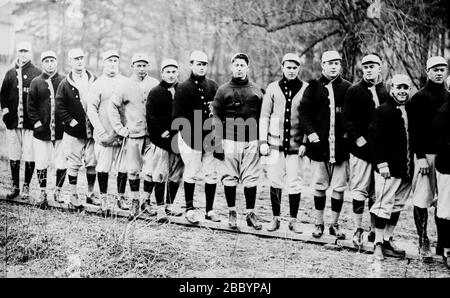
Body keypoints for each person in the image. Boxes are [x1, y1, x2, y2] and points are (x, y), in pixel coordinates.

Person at [298, 50, 351, 239]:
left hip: (340, 149)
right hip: (319, 148)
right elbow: (303, 115)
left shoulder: (347, 88)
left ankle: (334, 224)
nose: (334, 66)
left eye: (337, 63)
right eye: (330, 63)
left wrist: (347, 136)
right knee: (320, 186)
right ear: (323, 65)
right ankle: (318, 223)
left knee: (338, 188)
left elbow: (352, 117)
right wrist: (312, 136)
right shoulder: (313, 87)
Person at [212, 52, 264, 230]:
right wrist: (217, 143)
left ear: (247, 67)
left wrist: (263, 142)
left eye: (243, 65)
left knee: (251, 178)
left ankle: (250, 213)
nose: (239, 68)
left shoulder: (256, 90)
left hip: (251, 140)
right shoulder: (223, 90)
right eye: (236, 65)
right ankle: (232, 211)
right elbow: (216, 117)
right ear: (231, 67)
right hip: (229, 139)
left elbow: (263, 117)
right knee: (229, 177)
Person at [259, 53, 309, 233]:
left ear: (299, 69)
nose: (291, 70)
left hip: (296, 146)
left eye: (295, 67)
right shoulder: (273, 88)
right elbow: (264, 116)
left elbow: (308, 118)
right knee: (275, 180)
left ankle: (293, 220)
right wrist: (263, 141)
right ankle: (275, 218)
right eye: (288, 67)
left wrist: (305, 142)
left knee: (295, 182)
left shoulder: (306, 88)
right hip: (274, 144)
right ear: (282, 67)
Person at [344, 54, 390, 246]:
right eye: (366, 66)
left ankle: (373, 230)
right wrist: (359, 140)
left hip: (381, 152)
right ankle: (357, 229)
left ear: (380, 68)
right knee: (359, 189)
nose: (369, 69)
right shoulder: (354, 91)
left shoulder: (387, 91)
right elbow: (348, 120)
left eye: (373, 66)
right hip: (361, 151)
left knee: (377, 192)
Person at [369, 74, 414, 260]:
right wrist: (382, 164)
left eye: (406, 88)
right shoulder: (382, 111)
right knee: (383, 205)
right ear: (392, 88)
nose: (402, 91)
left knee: (397, 205)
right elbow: (375, 140)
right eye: (399, 87)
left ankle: (387, 240)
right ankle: (377, 243)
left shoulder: (411, 109)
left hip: (406, 168)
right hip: (388, 169)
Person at [172, 50, 220, 224]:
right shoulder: (183, 88)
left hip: (210, 138)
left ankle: (210, 210)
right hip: (190, 137)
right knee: (191, 173)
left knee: (211, 174)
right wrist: (191, 138)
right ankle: (189, 209)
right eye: (198, 64)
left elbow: (218, 113)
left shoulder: (213, 86)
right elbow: (177, 117)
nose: (201, 67)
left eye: (204, 64)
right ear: (191, 65)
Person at [109, 53, 159, 217]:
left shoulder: (155, 84)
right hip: (133, 135)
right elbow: (113, 107)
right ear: (132, 66)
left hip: (152, 136)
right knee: (133, 170)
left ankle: (146, 201)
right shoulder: (125, 85)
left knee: (151, 170)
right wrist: (120, 129)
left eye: (144, 65)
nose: (142, 68)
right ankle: (135, 202)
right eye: (138, 65)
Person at [408, 56, 448, 258]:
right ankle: (423, 240)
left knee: (444, 203)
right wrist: (421, 156)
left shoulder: (448, 96)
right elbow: (414, 131)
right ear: (428, 71)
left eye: (443, 69)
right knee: (423, 198)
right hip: (425, 157)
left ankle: (443, 243)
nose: (439, 73)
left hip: (445, 159)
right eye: (435, 69)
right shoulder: (419, 98)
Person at [86, 50, 129, 212]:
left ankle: (120, 198)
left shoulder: (126, 82)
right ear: (104, 62)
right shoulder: (97, 84)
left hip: (122, 135)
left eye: (115, 61)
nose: (112, 64)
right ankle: (103, 199)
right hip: (105, 134)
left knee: (123, 168)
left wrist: (127, 129)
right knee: (103, 167)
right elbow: (91, 109)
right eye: (109, 60)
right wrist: (101, 132)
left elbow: (132, 107)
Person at [56, 48, 97, 210]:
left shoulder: (94, 79)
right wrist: (70, 121)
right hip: (74, 131)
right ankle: (73, 194)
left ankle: (91, 193)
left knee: (92, 162)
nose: (79, 61)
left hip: (92, 130)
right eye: (75, 59)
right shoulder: (65, 83)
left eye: (81, 58)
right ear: (70, 62)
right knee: (73, 163)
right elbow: (59, 106)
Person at [144, 59, 184, 222]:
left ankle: (169, 205)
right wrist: (161, 131)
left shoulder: (183, 90)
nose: (171, 75)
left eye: (174, 72)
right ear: (162, 73)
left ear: (177, 73)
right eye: (167, 72)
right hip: (162, 139)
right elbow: (150, 115)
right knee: (160, 174)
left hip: (180, 139)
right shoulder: (156, 91)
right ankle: (159, 208)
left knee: (176, 175)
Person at [1, 41, 41, 200]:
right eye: (21, 51)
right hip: (13, 122)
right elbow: (2, 95)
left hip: (30, 124)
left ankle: (26, 187)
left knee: (30, 155)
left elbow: (40, 98)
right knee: (14, 154)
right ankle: (15, 186)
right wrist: (5, 113)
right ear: (17, 52)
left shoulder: (37, 73)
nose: (23, 54)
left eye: (26, 51)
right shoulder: (10, 73)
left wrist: (38, 119)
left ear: (30, 53)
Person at [27, 50, 66, 206]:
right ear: (42, 64)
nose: (50, 64)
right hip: (42, 132)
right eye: (47, 61)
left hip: (61, 132)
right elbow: (31, 107)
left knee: (62, 162)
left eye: (52, 61)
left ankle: (58, 191)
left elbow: (68, 104)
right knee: (42, 162)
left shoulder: (64, 80)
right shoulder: (36, 82)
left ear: (56, 62)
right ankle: (43, 192)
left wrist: (65, 123)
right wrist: (37, 124)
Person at [433, 87, 450, 269]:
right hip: (447, 167)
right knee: (445, 208)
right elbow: (439, 142)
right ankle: (446, 248)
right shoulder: (444, 112)